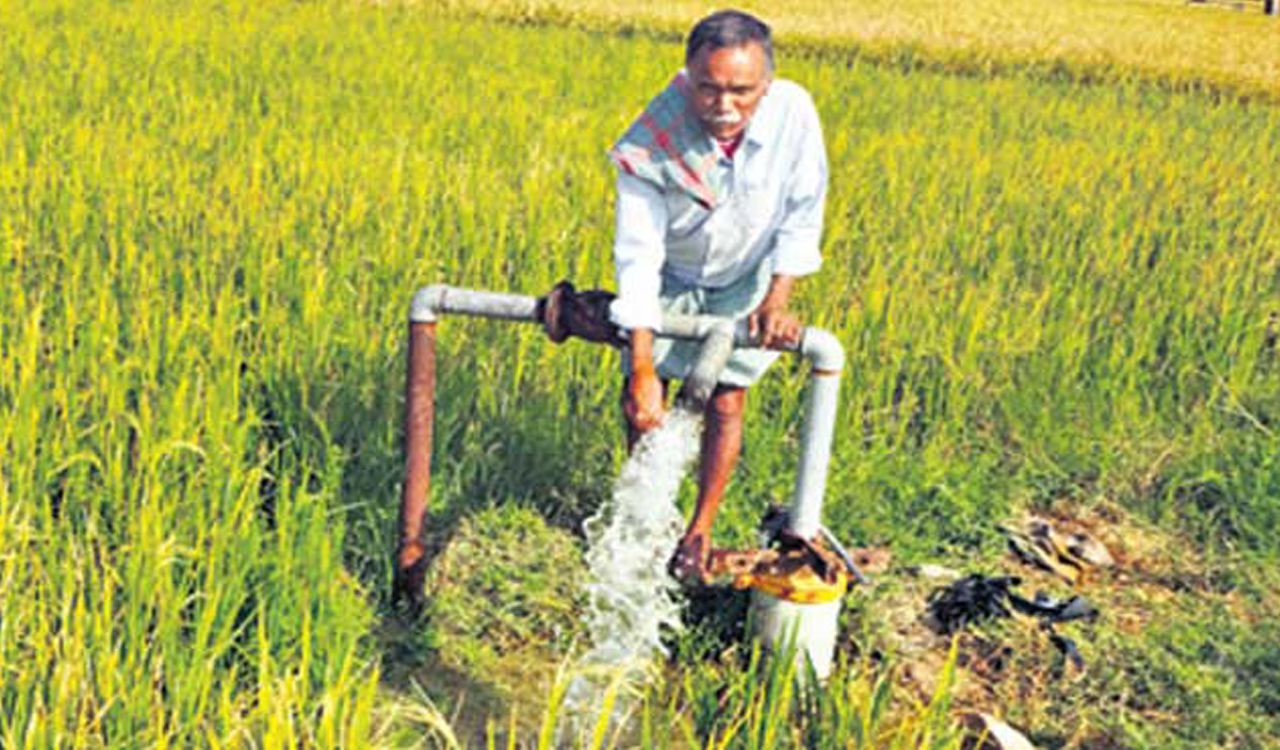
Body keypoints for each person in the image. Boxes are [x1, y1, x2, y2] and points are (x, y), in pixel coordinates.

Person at [608, 9, 828, 582]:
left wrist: (777, 299)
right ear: (687, 78)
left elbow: (803, 212)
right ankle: (646, 519)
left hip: (746, 273)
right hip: (671, 275)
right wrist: (640, 366)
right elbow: (637, 256)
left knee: (727, 397)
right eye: (708, 88)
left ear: (767, 85)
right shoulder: (650, 142)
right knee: (646, 405)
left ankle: (698, 530)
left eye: (741, 91)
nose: (724, 106)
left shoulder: (793, 114)